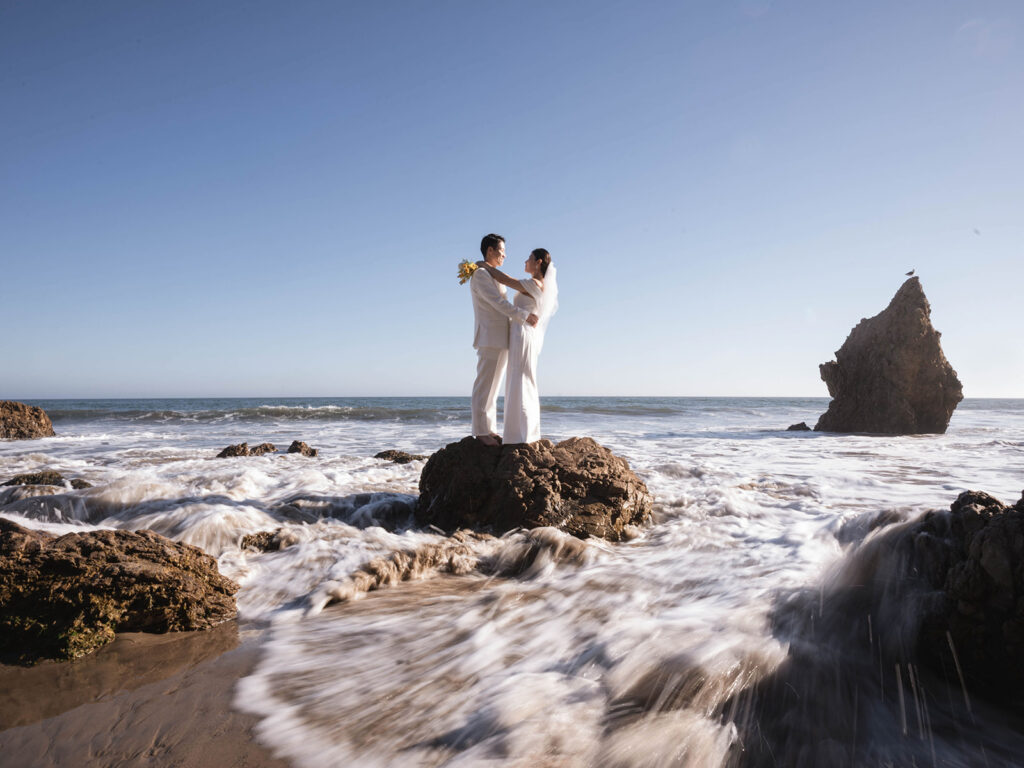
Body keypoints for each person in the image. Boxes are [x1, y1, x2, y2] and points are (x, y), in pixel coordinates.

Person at [475, 248, 558, 444]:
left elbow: (503, 279)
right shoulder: (537, 284)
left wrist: (482, 265)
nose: (525, 261)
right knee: (521, 378)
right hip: (520, 333)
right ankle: (523, 432)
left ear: (538, 262)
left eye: (529, 258)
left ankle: (520, 434)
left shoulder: (534, 283)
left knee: (520, 379)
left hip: (522, 333)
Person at [469, 234, 538, 447]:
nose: (504, 255)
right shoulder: (480, 275)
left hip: (501, 337)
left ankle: (489, 428)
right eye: (501, 251)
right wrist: (525, 316)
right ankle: (480, 431)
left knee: (493, 387)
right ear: (490, 250)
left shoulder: (490, 274)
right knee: (484, 384)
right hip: (489, 335)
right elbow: (498, 302)